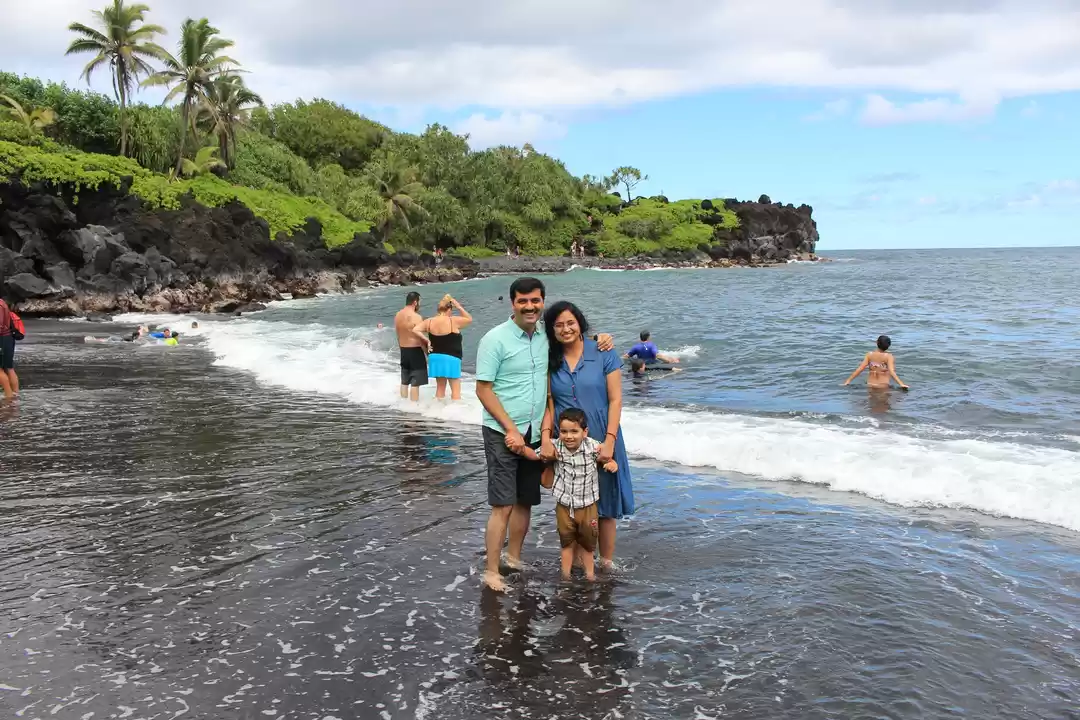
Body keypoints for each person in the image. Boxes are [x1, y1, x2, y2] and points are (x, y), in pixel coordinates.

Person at [475, 277, 614, 592]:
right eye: (522, 301)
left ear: (542, 302)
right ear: (513, 303)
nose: (529, 306)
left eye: (535, 301)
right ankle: (492, 571)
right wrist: (510, 429)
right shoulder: (494, 339)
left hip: (535, 431)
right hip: (502, 430)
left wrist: (602, 338)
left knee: (525, 501)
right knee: (503, 504)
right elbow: (483, 389)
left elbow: (574, 337)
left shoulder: (543, 335)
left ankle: (513, 557)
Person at [541, 300, 633, 572]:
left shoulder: (603, 351)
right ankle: (581, 564)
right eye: (558, 325)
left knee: (605, 502)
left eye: (571, 322)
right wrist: (547, 438)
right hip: (567, 441)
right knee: (575, 502)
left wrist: (610, 440)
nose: (566, 329)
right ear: (551, 330)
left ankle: (605, 563)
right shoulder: (549, 358)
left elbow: (616, 400)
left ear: (580, 323)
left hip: (604, 434)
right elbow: (548, 403)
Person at [527, 408, 616, 581]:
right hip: (564, 506)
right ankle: (565, 576)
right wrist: (520, 449)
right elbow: (535, 454)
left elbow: (608, 459)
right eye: (564, 431)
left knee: (588, 545)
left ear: (585, 432)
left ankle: (590, 576)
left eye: (574, 431)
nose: (569, 436)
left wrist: (612, 465)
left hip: (588, 505)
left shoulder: (592, 446)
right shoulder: (556, 446)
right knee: (566, 543)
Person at [416, 294, 472, 401]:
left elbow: (415, 330)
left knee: (440, 388)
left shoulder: (429, 321)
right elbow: (469, 319)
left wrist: (426, 340)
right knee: (455, 391)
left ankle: (437, 411)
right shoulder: (453, 320)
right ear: (449, 309)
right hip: (451, 358)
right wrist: (459, 306)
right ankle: (453, 414)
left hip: (435, 357)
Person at [394, 291, 431, 402]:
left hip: (404, 350)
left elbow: (398, 334)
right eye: (420, 302)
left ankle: (403, 405)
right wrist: (427, 353)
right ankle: (414, 408)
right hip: (415, 351)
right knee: (415, 382)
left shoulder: (398, 315)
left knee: (405, 381)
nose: (420, 304)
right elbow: (420, 338)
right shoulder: (416, 317)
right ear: (415, 302)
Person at [843, 335, 909, 390]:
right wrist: (901, 384)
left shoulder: (869, 354)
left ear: (877, 342)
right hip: (883, 385)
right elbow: (892, 372)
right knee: (884, 404)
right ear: (888, 345)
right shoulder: (889, 356)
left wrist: (848, 381)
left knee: (872, 404)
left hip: (870, 384)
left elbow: (860, 369)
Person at [0, 298, 19, 401]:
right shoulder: (2, 302)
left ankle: (9, 397)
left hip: (2, 338)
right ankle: (14, 395)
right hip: (7, 338)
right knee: (9, 368)